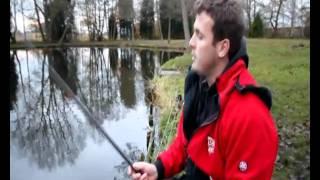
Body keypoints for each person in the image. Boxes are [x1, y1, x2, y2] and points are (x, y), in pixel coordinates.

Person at [128, 0, 278, 179]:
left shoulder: (251, 118)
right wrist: (159, 168)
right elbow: (185, 141)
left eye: (199, 36)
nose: (191, 42)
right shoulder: (199, 85)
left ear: (223, 47)